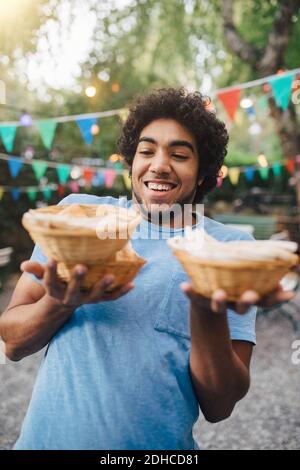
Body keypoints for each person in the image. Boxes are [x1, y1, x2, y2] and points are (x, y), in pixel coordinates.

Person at [0, 88, 294, 450]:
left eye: (180, 155)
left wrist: (205, 311)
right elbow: (12, 343)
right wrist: (60, 302)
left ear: (203, 172)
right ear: (131, 161)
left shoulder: (227, 252)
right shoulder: (75, 218)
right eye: (146, 150)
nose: (159, 164)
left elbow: (220, 405)